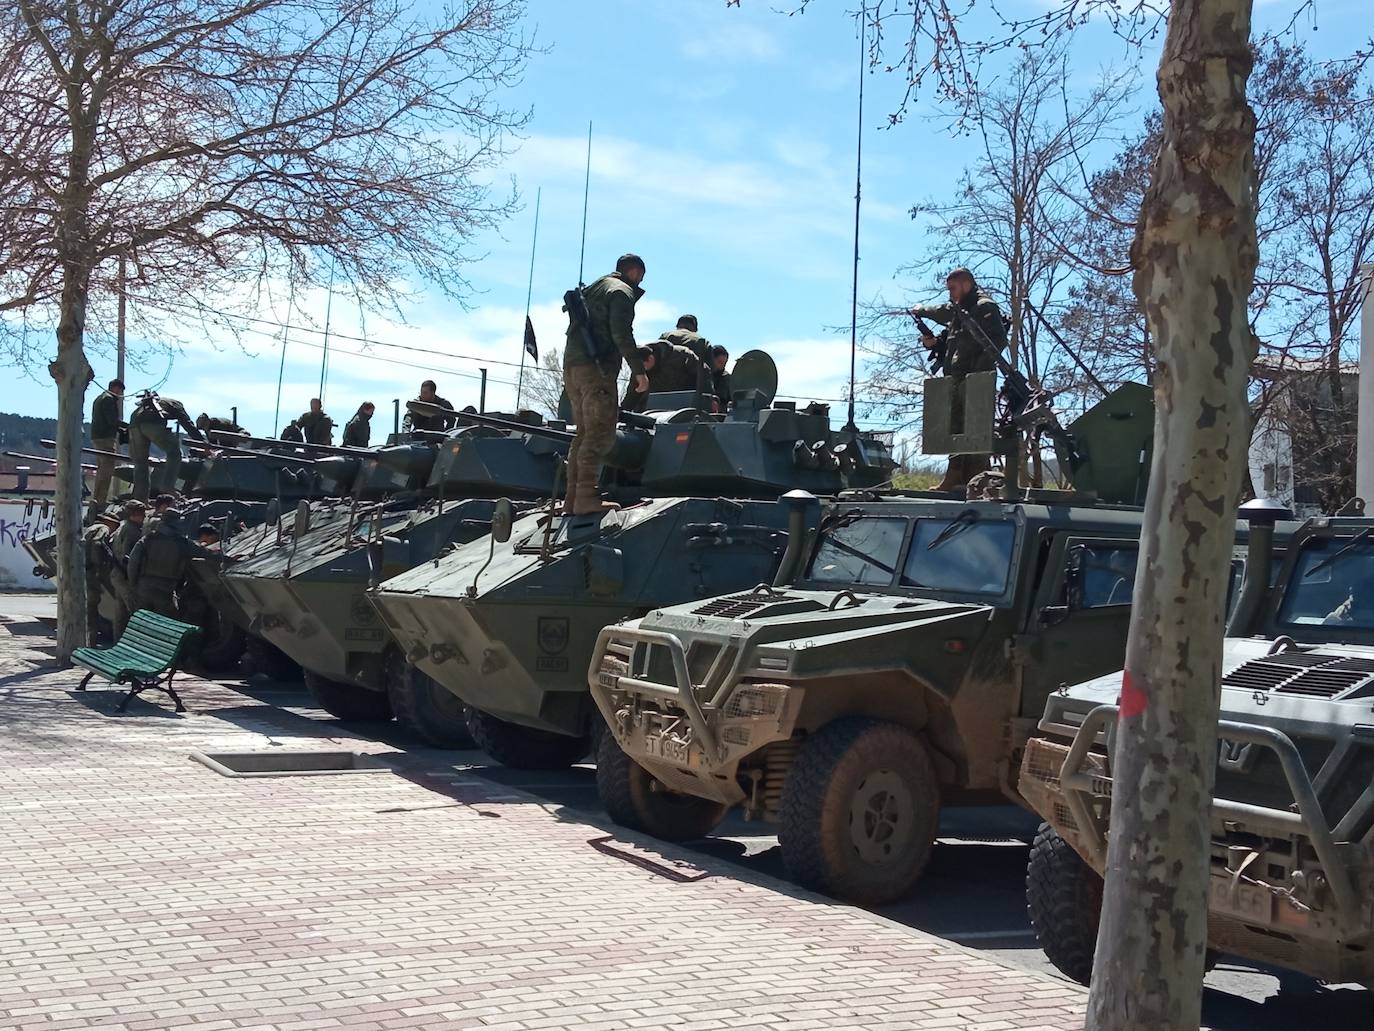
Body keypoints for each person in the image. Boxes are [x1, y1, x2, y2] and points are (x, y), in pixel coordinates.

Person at [910, 267, 1009, 494]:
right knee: (955, 429)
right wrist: (933, 343)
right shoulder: (959, 310)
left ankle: (977, 480)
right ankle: (954, 477)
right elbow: (951, 342)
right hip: (956, 379)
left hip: (976, 381)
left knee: (975, 431)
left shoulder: (984, 307)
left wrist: (978, 369)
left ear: (966, 284)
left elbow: (997, 341)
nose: (950, 294)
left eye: (953, 288)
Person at [564, 253, 648, 515]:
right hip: (597, 369)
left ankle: (572, 500)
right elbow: (621, 333)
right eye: (641, 277)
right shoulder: (621, 292)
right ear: (634, 272)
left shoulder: (594, 288)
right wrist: (639, 371)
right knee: (599, 433)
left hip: (573, 367)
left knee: (582, 435)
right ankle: (586, 497)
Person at [126, 508, 209, 619]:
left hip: (144, 587)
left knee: (141, 621)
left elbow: (133, 563)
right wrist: (227, 557)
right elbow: (204, 553)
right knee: (164, 624)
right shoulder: (182, 543)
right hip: (165, 590)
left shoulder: (147, 539)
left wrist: (133, 584)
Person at [128, 392, 204, 502]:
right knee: (174, 452)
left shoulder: (153, 403)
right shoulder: (177, 405)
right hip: (152, 422)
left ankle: (140, 500)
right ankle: (168, 485)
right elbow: (187, 424)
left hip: (134, 424)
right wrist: (202, 443)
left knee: (140, 463)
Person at [108, 500, 146, 635]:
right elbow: (129, 557)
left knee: (121, 613)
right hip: (125, 576)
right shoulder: (132, 531)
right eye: (142, 514)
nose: (144, 517)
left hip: (117, 574)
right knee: (135, 611)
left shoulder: (123, 527)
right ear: (134, 514)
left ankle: (117, 643)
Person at [89, 379, 126, 507]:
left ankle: (97, 499)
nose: (121, 395)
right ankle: (100, 501)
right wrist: (127, 427)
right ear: (116, 388)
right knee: (106, 471)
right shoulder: (108, 399)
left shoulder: (99, 398)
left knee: (101, 470)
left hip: (98, 437)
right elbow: (112, 420)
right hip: (105, 438)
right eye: (120, 391)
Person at [709, 345, 732, 411]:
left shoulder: (727, 378)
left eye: (724, 363)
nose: (722, 366)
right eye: (720, 362)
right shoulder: (703, 376)